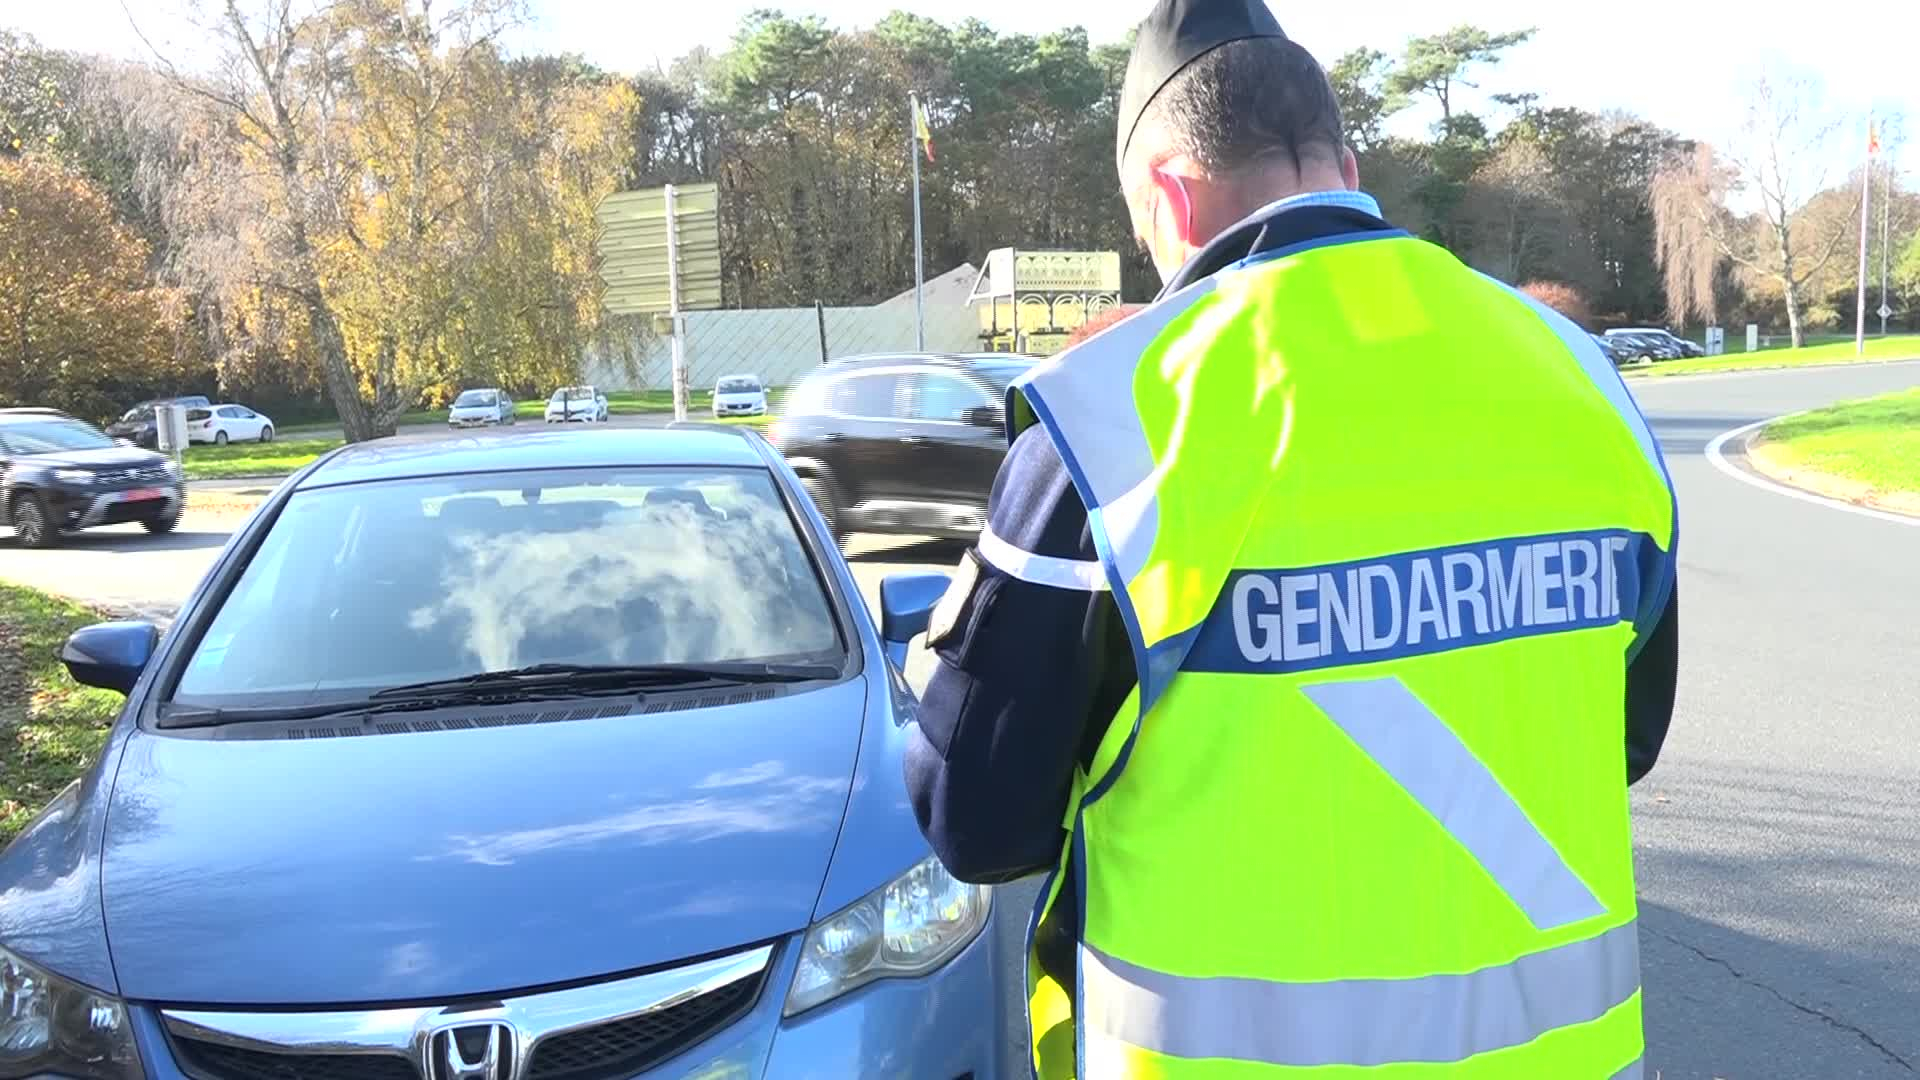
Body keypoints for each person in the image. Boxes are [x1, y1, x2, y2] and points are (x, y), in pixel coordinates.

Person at [902, 1, 1679, 1077]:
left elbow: (975, 816)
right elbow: (1624, 735)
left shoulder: (1115, 421)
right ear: (1344, 160)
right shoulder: (1581, 379)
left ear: (1168, 191)